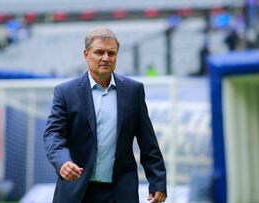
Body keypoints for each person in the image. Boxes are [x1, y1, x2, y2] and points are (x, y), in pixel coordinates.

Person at [43, 28, 167, 203]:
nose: (106, 58)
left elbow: (148, 141)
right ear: (86, 54)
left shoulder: (133, 91)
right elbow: (53, 134)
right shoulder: (65, 92)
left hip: (120, 193)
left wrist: (158, 182)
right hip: (77, 191)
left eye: (111, 53)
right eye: (99, 52)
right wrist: (63, 162)